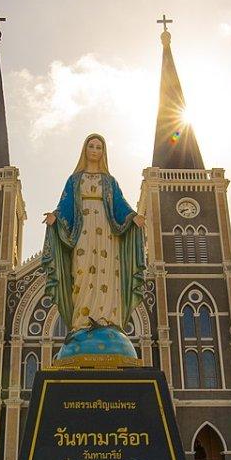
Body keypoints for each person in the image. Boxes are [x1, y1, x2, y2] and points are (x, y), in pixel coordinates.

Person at [42, 133, 146, 350]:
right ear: (85, 150)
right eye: (92, 146)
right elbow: (66, 206)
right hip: (84, 232)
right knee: (82, 273)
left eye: (99, 147)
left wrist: (133, 216)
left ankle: (107, 320)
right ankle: (81, 321)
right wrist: (55, 217)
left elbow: (120, 206)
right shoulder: (75, 180)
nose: (95, 150)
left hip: (108, 235)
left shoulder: (110, 181)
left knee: (107, 273)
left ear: (103, 152)